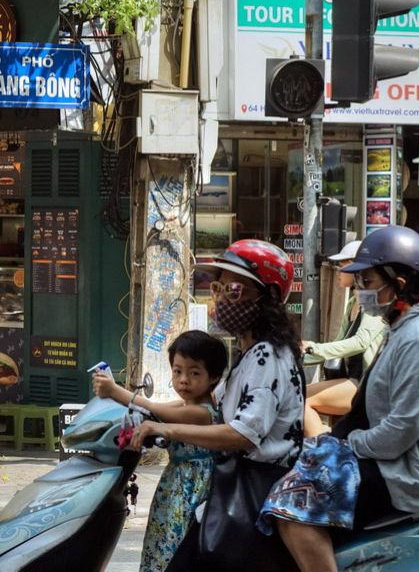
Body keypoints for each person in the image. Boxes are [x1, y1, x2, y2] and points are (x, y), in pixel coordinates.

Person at [263, 226, 419, 572]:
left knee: (290, 508)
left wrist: (350, 443)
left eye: (367, 282)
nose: (360, 290)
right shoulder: (402, 329)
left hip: (408, 474)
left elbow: (401, 430)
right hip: (389, 461)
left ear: (398, 285)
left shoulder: (418, 338)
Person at [130, 240, 305, 571]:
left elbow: (243, 434)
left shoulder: (267, 356)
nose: (223, 299)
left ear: (267, 297)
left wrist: (167, 428)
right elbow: (212, 404)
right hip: (235, 483)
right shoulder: (249, 353)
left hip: (254, 487)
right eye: (218, 288)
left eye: (234, 290)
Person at [93, 331, 228, 571]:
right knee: (162, 541)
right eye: (177, 371)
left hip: (192, 487)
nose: (183, 380)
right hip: (175, 483)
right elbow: (152, 408)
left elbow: (154, 408)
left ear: (214, 377)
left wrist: (114, 390)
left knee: (175, 545)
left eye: (194, 373)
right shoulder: (186, 404)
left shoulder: (202, 412)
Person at [301, 240, 387, 436]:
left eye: (342, 266)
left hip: (364, 383)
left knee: (302, 400)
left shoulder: (372, 303)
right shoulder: (352, 303)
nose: (338, 272)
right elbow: (337, 346)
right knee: (297, 396)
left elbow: (361, 342)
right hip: (349, 378)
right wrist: (300, 356)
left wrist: (314, 347)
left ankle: (323, 452)